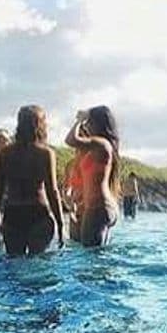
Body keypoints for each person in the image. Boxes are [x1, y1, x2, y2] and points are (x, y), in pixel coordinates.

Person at [0, 105, 64, 256]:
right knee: (37, 264)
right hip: (39, 214)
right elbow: (52, 191)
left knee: (13, 265)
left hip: (12, 214)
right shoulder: (45, 153)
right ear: (40, 125)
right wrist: (60, 223)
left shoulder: (5, 153)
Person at [64, 105, 121, 247]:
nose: (86, 125)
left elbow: (70, 140)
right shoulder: (97, 148)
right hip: (98, 207)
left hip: (98, 208)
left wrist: (79, 120)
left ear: (97, 124)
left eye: (89, 122)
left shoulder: (101, 144)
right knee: (93, 257)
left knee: (92, 257)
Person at [63, 154, 83, 243]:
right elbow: (66, 187)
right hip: (76, 203)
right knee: (75, 241)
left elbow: (66, 188)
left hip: (82, 204)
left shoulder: (71, 164)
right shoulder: (71, 164)